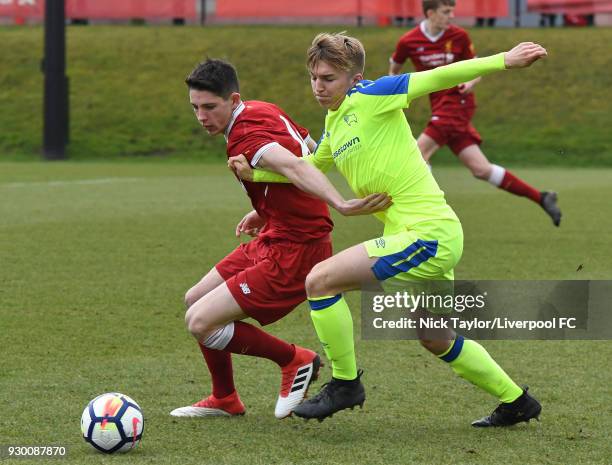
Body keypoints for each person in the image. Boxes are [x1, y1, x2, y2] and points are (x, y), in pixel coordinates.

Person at [229, 33, 545, 427]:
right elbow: (306, 170)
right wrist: (258, 184)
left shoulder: (376, 94)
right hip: (423, 236)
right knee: (435, 338)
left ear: (353, 76)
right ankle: (517, 401)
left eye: (328, 78)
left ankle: (345, 384)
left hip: (428, 234)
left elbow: (440, 75)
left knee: (320, 280)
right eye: (313, 77)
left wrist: (504, 59)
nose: (318, 86)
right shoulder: (334, 125)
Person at [170, 59, 390, 420]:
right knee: (194, 298)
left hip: (297, 248)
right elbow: (310, 148)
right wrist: (269, 206)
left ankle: (294, 360)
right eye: (195, 107)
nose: (201, 116)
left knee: (200, 322)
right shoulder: (260, 109)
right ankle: (225, 398)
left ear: (233, 99)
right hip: (277, 232)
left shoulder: (246, 136)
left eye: (209, 107)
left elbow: (298, 166)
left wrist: (340, 203)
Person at [389, 0, 561, 227]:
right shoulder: (409, 41)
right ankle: (541, 197)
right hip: (439, 106)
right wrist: (393, 95)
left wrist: (470, 83)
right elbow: (394, 67)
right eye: (446, 12)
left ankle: (427, 216)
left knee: (419, 153)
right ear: (430, 13)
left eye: (452, 11)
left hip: (458, 103)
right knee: (481, 169)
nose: (451, 16)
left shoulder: (459, 36)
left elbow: (477, 68)